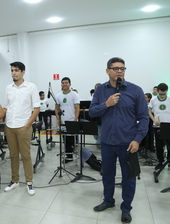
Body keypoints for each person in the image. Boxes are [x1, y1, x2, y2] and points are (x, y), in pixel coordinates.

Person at [89, 57, 149, 224]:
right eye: (115, 68)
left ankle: (126, 208)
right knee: (107, 174)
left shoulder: (136, 91)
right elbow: (92, 112)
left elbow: (144, 118)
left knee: (128, 177)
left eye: (122, 68)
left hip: (128, 143)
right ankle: (108, 201)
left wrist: (137, 140)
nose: (119, 71)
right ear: (107, 71)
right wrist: (106, 104)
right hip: (107, 142)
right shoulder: (101, 90)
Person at [4, 61, 40, 196]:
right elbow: (7, 107)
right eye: (12, 70)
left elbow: (36, 108)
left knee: (25, 155)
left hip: (23, 126)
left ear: (23, 72)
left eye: (16, 70)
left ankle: (29, 182)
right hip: (9, 126)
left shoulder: (31, 87)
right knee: (13, 155)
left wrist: (28, 124)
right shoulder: (9, 88)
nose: (14, 73)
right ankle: (14, 180)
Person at [55, 77, 80, 163]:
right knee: (65, 140)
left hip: (72, 121)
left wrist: (75, 120)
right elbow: (56, 109)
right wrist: (58, 119)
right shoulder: (58, 96)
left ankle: (70, 155)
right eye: (63, 83)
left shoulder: (74, 95)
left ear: (70, 84)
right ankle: (68, 156)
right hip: (63, 121)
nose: (64, 84)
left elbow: (77, 108)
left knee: (71, 139)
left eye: (66, 83)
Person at [148, 83, 170, 170]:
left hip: (168, 125)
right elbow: (149, 111)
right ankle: (160, 161)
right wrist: (154, 120)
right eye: (160, 94)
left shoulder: (169, 99)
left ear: (166, 91)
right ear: (157, 91)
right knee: (159, 145)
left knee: (169, 145)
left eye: (164, 94)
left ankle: (169, 162)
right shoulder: (153, 100)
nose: (162, 96)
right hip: (158, 126)